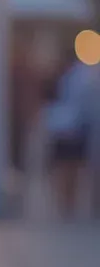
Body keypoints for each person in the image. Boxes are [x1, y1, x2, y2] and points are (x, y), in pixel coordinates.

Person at [43, 57, 96, 218]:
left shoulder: (80, 76)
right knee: (68, 168)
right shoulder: (79, 77)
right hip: (70, 126)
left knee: (70, 168)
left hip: (72, 127)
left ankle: (67, 203)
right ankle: (67, 203)